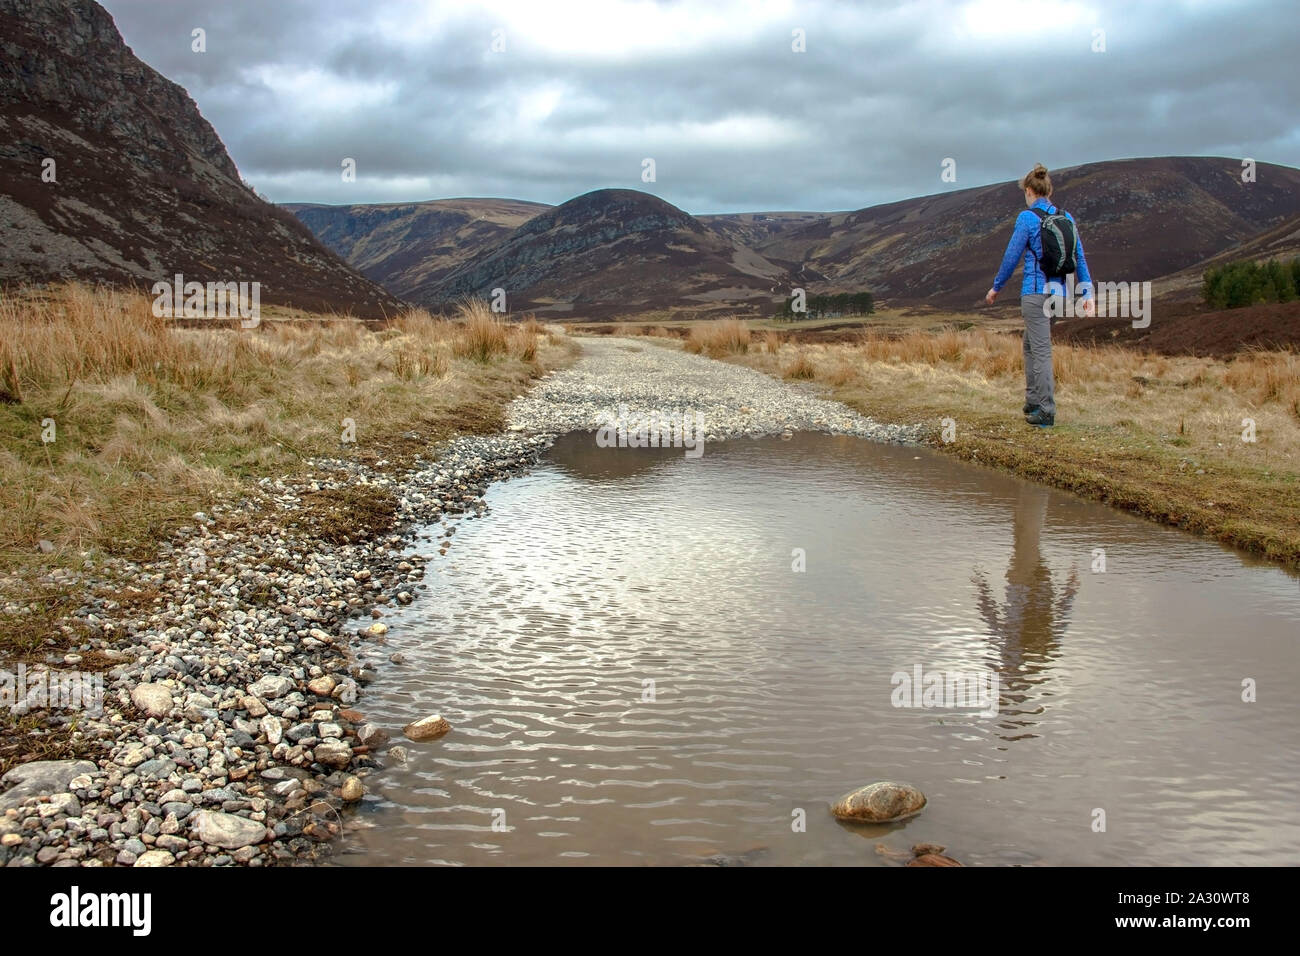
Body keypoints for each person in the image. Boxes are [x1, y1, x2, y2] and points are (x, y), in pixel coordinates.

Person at [985, 164, 1094, 427]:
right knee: (1031, 344)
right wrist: (1087, 290)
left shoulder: (1027, 218)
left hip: (1036, 292)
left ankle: (1046, 411)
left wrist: (996, 286)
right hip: (1060, 295)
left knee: (1041, 350)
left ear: (1030, 191)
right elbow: (1078, 257)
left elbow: (1011, 256)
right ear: (1049, 190)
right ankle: (1033, 400)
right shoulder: (1066, 218)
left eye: (1025, 192)